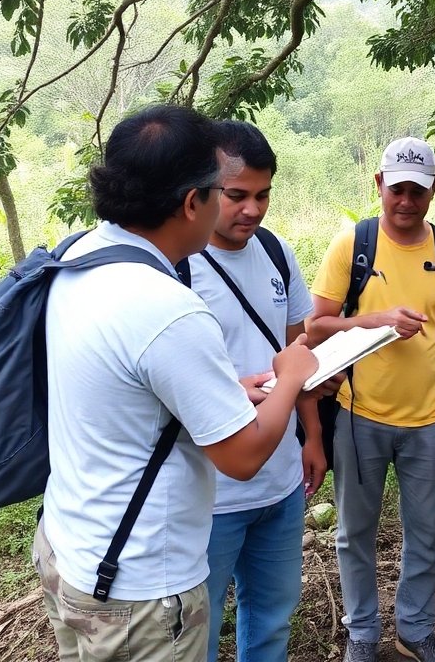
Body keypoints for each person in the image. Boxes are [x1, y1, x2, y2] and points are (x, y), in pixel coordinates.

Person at [32, 105, 318, 662]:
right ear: (194, 203)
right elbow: (240, 456)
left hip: (74, 551)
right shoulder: (167, 308)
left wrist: (234, 389)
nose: (243, 208)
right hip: (140, 586)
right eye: (222, 192)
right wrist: (291, 377)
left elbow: (136, 393)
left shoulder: (77, 257)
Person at [308, 137, 435, 662]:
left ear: (433, 191)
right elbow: (316, 326)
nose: (406, 201)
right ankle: (362, 633)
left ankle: (414, 629)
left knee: (426, 530)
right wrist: (375, 319)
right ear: (379, 185)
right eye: (397, 189)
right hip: (359, 414)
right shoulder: (353, 245)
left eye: (418, 190)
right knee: (354, 531)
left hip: (431, 419)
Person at [181, 121, 325, 662]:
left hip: (281, 483)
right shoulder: (177, 267)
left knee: (271, 619)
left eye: (263, 195)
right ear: (202, 191)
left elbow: (296, 351)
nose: (253, 210)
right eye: (237, 196)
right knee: (200, 629)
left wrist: (312, 435)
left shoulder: (275, 251)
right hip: (210, 492)